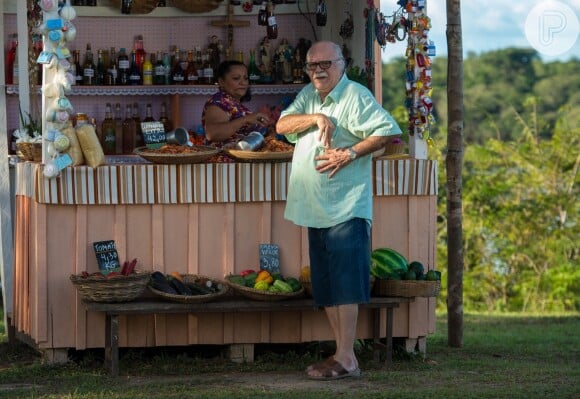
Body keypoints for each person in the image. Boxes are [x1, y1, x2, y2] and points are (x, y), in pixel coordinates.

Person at [275, 41, 402, 380]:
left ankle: (347, 357)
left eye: (326, 63)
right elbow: (281, 126)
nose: (318, 69)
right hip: (315, 207)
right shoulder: (309, 95)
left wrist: (348, 154)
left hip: (345, 207)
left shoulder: (355, 96)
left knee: (346, 284)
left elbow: (387, 132)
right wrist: (315, 117)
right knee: (327, 285)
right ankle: (341, 353)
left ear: (341, 64)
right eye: (311, 64)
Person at [202, 60, 271, 148]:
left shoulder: (235, 104)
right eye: (236, 78)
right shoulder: (219, 101)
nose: (243, 83)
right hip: (224, 159)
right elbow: (213, 134)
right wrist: (246, 119)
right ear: (221, 82)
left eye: (245, 78)